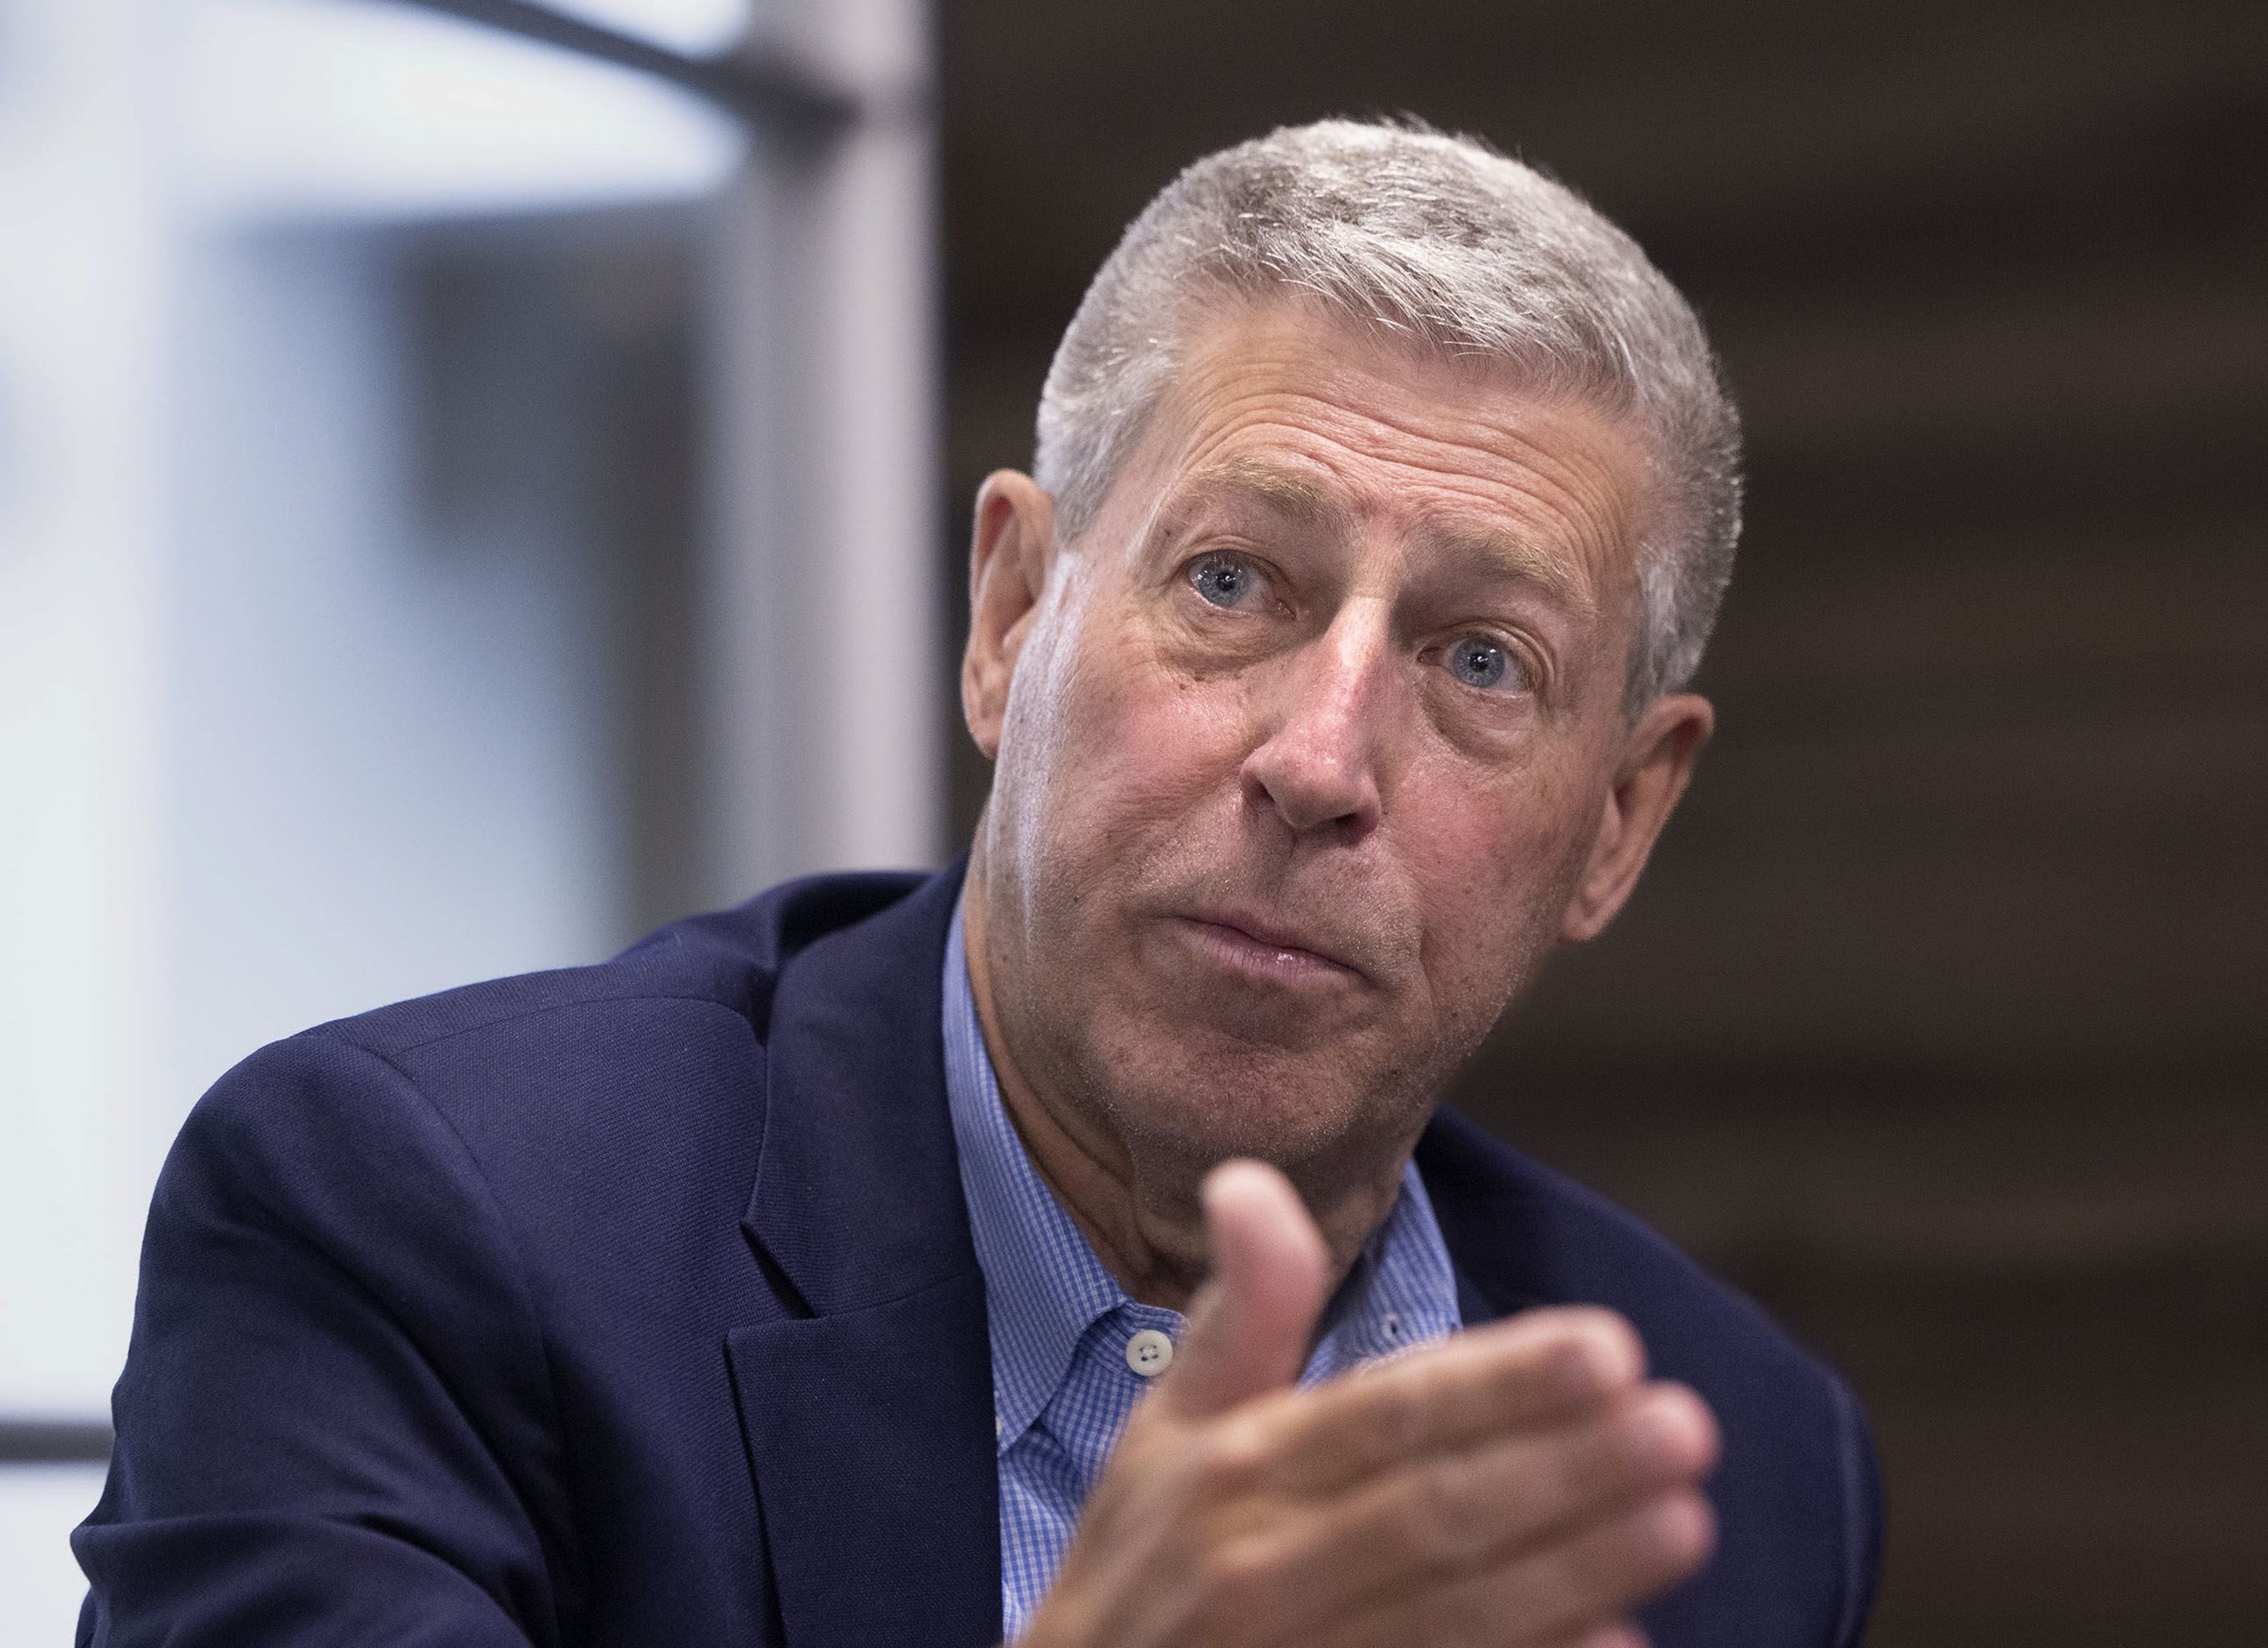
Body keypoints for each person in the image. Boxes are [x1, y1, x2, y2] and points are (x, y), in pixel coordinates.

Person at [75, 119, 1882, 1647]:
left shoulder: (1734, 1461)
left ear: (1622, 824)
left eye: (1483, 661)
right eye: (1236, 584)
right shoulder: (418, 1229)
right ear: (1013, 617)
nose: (1322, 763)